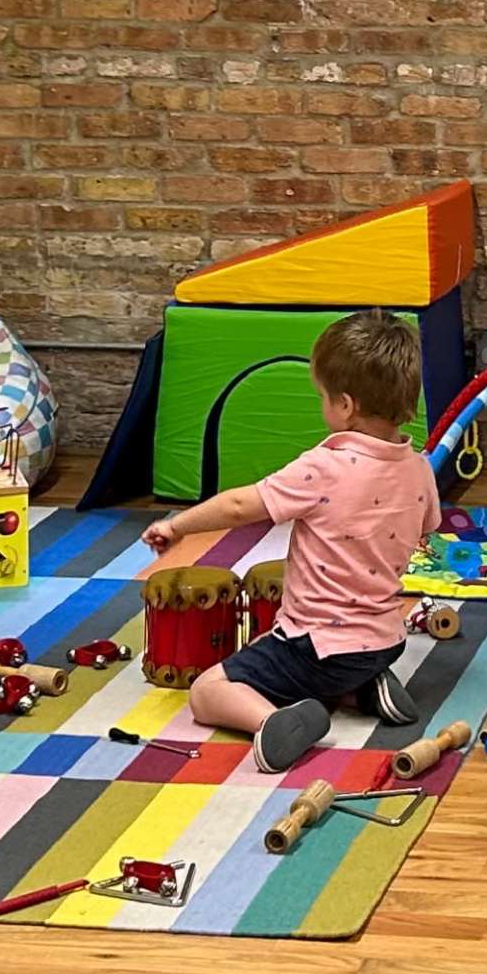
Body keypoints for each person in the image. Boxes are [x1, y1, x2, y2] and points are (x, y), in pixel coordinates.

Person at [143, 310, 434, 766]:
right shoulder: (419, 468)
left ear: (345, 405)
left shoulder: (324, 468)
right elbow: (426, 529)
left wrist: (177, 525)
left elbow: (240, 506)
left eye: (322, 397)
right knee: (290, 654)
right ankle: (362, 689)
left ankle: (274, 721)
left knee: (207, 690)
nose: (322, 405)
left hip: (317, 650)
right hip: (384, 640)